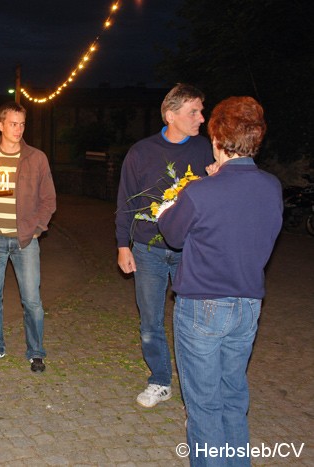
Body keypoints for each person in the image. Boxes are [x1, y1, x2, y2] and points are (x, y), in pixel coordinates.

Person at [158, 96, 282, 465]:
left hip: (203, 306)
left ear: (216, 139)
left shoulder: (200, 191)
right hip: (248, 304)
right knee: (233, 398)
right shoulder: (272, 187)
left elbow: (173, 235)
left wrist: (173, 203)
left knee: (205, 406)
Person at [115, 83, 215, 408]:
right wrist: (122, 245)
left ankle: (195, 392)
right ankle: (160, 381)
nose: (202, 117)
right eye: (194, 112)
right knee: (150, 321)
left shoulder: (207, 151)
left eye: (201, 110)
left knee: (194, 322)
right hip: (147, 250)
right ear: (171, 116)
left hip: (191, 250)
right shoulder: (141, 152)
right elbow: (125, 202)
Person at [0, 102, 56, 373]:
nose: (18, 129)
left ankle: (36, 351)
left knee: (32, 300)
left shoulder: (36, 158)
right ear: (0, 125)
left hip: (25, 240)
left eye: (22, 124)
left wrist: (38, 228)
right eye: (13, 124)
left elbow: (48, 199)